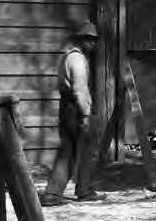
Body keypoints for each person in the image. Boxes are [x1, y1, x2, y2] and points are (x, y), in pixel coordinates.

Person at [39, 21, 106, 206]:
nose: (93, 44)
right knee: (81, 151)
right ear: (81, 40)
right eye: (90, 40)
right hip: (75, 110)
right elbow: (79, 90)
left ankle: (60, 192)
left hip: (68, 108)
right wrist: (85, 115)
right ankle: (78, 191)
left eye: (94, 41)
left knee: (72, 151)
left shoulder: (70, 57)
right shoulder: (77, 59)